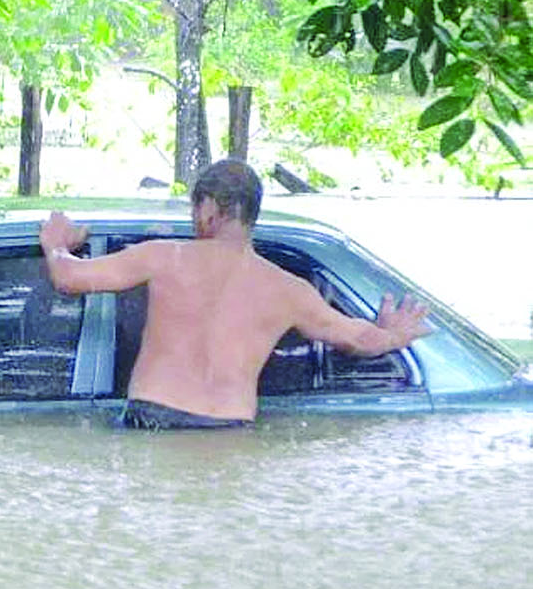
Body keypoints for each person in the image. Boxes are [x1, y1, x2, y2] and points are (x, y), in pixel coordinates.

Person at [39, 159, 432, 428]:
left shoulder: (164, 256)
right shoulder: (289, 290)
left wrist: (56, 245)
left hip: (152, 419)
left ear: (208, 209)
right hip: (229, 431)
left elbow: (69, 278)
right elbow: (358, 339)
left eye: (195, 211)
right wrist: (392, 334)